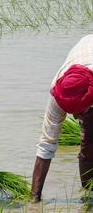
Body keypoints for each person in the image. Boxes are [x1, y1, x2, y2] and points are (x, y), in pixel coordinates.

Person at [31, 35, 93, 202]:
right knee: (88, 141)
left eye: (79, 112)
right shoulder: (58, 93)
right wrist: (34, 199)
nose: (76, 117)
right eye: (72, 113)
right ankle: (88, 194)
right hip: (85, 52)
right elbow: (46, 145)